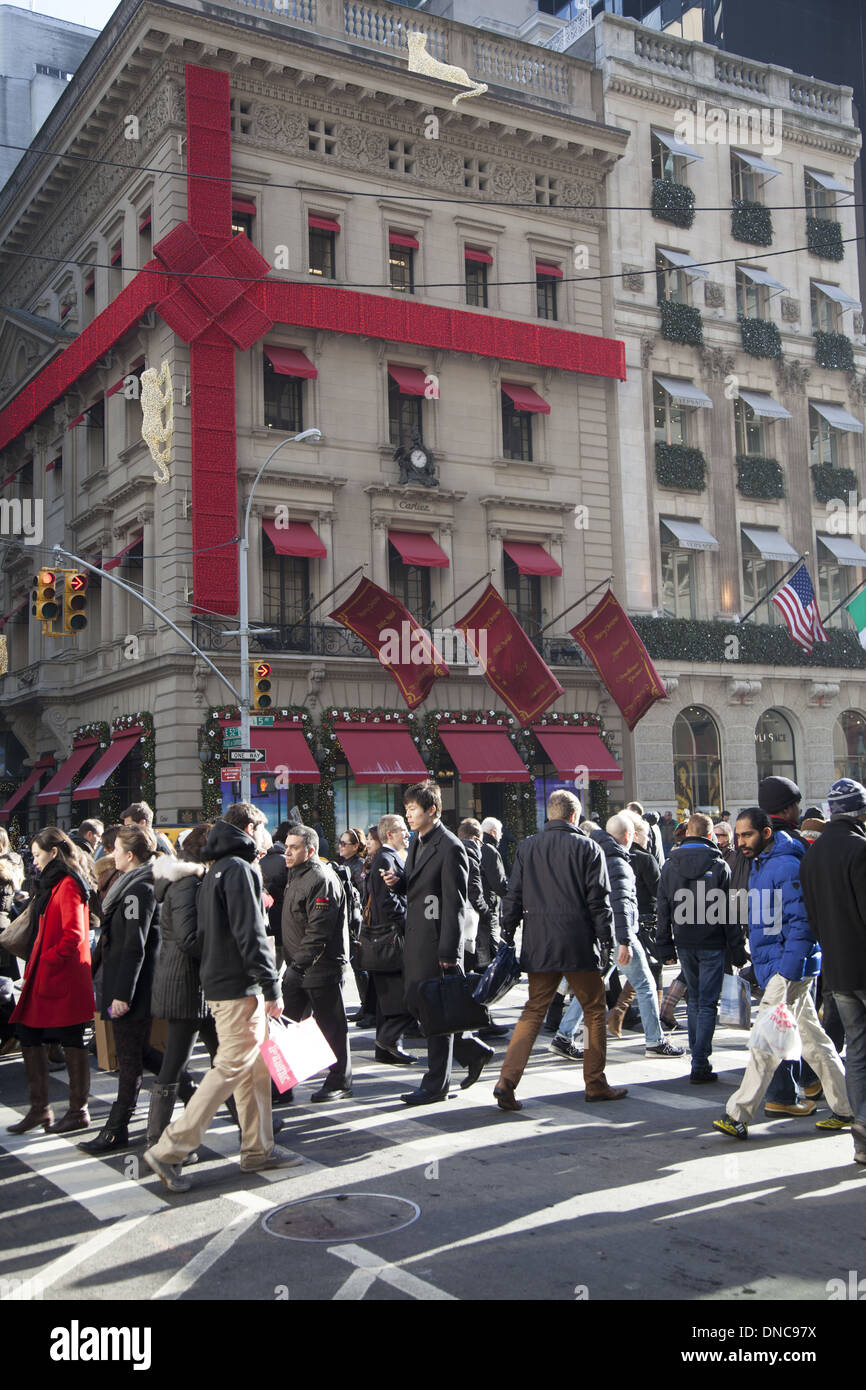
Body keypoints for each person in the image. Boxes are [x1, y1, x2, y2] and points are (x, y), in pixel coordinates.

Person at [144, 804, 297, 1192]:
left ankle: (258, 1148)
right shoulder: (239, 870)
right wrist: (271, 987)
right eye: (263, 830)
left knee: (251, 1070)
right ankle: (170, 1148)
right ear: (249, 828)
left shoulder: (216, 870)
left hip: (224, 984)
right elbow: (251, 935)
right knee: (231, 1067)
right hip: (237, 987)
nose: (267, 838)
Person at [714, 808, 851, 1141]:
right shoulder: (766, 864)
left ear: (766, 832)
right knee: (814, 1042)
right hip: (782, 968)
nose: (740, 842)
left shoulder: (784, 865)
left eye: (747, 835)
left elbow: (801, 924)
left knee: (765, 1041)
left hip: (786, 970)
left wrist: (786, 972)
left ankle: (738, 1113)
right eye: (738, 836)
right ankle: (848, 1108)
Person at [493, 789, 626, 1111]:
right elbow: (599, 902)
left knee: (533, 1010)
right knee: (594, 1010)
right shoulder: (588, 847)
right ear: (573, 817)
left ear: (549, 816)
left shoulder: (528, 847)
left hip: (539, 943)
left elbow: (514, 895)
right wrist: (606, 942)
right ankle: (595, 1082)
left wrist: (508, 934)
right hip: (578, 942)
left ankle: (506, 1081)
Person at [397, 780, 493, 1105]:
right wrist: (398, 883)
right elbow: (417, 887)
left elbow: (454, 904)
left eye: (413, 809)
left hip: (439, 942)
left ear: (432, 810)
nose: (408, 814)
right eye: (407, 808)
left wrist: (450, 953)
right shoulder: (417, 842)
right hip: (416, 938)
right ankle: (471, 1050)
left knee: (433, 1009)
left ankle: (436, 1084)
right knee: (420, 1005)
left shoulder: (451, 847)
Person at [78, 827, 163, 1154]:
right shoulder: (131, 886)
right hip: (126, 987)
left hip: (131, 990)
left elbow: (133, 946)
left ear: (130, 855)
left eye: (115, 849)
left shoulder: (136, 889)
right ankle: (191, 1090)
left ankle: (116, 1129)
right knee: (139, 1053)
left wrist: (122, 995)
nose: (110, 854)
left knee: (130, 1059)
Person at [7, 828, 95, 1135]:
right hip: (51, 975)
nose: (34, 861)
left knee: (68, 1038)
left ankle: (75, 1110)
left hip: (60, 977)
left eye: (37, 854)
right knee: (30, 1035)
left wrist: (47, 960)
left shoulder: (68, 884)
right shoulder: (57, 882)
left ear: (53, 852)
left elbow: (73, 935)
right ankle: (42, 1109)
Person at [146, 823, 225, 1148]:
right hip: (186, 987)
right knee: (176, 1064)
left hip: (193, 987)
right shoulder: (187, 883)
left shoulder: (185, 880)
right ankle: (156, 1140)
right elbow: (191, 938)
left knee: (225, 1060)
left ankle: (253, 1127)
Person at [800, 779, 866, 1160]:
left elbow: (815, 919)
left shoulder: (814, 854)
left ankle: (862, 1133)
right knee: (857, 1047)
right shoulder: (859, 850)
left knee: (857, 1049)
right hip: (861, 965)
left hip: (838, 969)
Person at [656, 812, 745, 1085]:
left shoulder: (669, 866)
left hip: (684, 940)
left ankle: (698, 1058)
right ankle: (700, 1062)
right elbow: (731, 913)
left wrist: (664, 946)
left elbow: (663, 909)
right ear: (709, 835)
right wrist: (738, 948)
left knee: (695, 1001)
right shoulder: (720, 865)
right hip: (712, 941)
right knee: (707, 1003)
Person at [282, 824, 352, 1101]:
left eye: (294, 847)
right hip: (298, 965)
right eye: (286, 846)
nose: (287, 852)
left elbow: (319, 930)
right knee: (288, 1024)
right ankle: (282, 1085)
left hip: (320, 966)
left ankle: (340, 1080)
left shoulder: (321, 878)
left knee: (331, 1026)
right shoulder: (296, 874)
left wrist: (298, 965)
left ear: (310, 850)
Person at [367, 813, 416, 1065]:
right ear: (389, 834)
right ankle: (388, 1040)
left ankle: (388, 1047)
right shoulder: (387, 858)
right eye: (402, 830)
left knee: (389, 997)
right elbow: (389, 902)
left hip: (386, 936)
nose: (407, 833)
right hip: (392, 937)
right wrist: (407, 924)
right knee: (403, 995)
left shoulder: (388, 857)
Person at [479, 818, 508, 972]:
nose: (501, 836)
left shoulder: (475, 846)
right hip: (488, 908)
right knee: (490, 958)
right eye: (500, 832)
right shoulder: (489, 850)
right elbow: (500, 885)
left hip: (475, 909)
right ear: (493, 832)